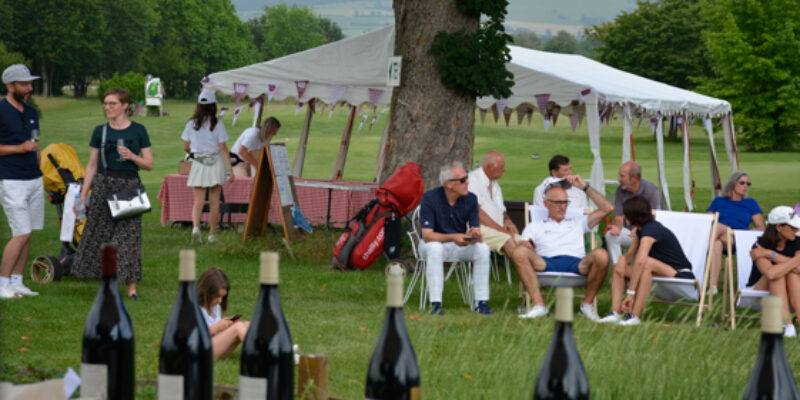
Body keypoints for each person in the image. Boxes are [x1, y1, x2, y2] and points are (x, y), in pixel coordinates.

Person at [73, 88, 153, 300]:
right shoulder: (100, 131)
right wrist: (83, 193)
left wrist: (133, 157)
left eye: (112, 104)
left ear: (125, 106)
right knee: (101, 236)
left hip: (129, 187)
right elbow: (91, 165)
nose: (108, 107)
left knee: (129, 237)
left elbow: (149, 164)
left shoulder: (139, 131)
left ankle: (131, 287)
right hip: (103, 185)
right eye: (106, 104)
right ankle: (108, 283)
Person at [520, 176, 613, 321]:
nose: (563, 206)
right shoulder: (535, 226)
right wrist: (526, 246)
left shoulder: (578, 222)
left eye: (565, 202)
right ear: (546, 203)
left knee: (601, 254)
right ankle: (539, 305)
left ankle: (587, 305)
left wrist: (584, 187)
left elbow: (608, 208)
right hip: (545, 263)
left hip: (576, 264)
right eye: (558, 202)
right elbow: (524, 246)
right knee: (519, 252)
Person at [468, 151, 548, 318]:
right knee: (510, 242)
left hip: (497, 228)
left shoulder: (495, 183)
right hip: (476, 227)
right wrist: (501, 229)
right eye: (502, 167)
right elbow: (477, 213)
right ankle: (536, 299)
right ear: (490, 167)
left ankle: (539, 290)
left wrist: (508, 221)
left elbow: (501, 210)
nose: (504, 170)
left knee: (528, 243)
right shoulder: (474, 181)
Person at [599, 196, 694, 326]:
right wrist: (622, 260)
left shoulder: (651, 229)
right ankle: (615, 313)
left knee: (646, 263)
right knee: (618, 267)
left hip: (680, 276)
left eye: (625, 213)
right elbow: (630, 257)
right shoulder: (641, 230)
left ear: (633, 215)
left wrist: (630, 294)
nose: (624, 216)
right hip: (659, 274)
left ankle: (634, 316)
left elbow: (640, 261)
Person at [419, 161, 492, 315]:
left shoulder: (471, 199)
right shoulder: (430, 198)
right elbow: (427, 236)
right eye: (463, 179)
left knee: (483, 249)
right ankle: (436, 304)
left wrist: (474, 235)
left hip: (458, 245)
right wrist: (454, 237)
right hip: (432, 245)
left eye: (467, 178)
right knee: (435, 248)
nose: (468, 182)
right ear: (449, 184)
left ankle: (481, 302)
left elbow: (475, 229)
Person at [0, 64, 42, 299]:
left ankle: (17, 282)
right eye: (24, 84)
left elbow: (35, 144)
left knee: (28, 233)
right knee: (21, 233)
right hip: (11, 179)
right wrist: (19, 148)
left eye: (30, 83)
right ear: (10, 86)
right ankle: (2, 283)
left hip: (34, 178)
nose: (29, 88)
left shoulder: (31, 112)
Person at [183, 89, 234, 244]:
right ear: (213, 106)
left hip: (199, 161)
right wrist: (230, 170)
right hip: (215, 162)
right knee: (214, 201)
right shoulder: (217, 124)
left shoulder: (191, 123)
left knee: (198, 201)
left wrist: (195, 151)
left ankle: (196, 228)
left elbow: (186, 146)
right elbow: (223, 147)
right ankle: (212, 234)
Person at [706, 171, 764, 294]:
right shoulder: (719, 201)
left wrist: (750, 232)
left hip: (738, 237)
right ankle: (713, 287)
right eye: (742, 183)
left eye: (748, 184)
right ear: (733, 183)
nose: (745, 186)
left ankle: (702, 252)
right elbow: (706, 222)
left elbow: (761, 227)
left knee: (717, 226)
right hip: (721, 237)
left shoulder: (750, 203)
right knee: (716, 244)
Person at [747, 206, 800, 338]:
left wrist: (770, 254)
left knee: (790, 273)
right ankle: (788, 324)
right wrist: (797, 259)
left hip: (789, 290)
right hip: (759, 292)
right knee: (777, 275)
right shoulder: (760, 245)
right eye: (792, 227)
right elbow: (770, 273)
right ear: (778, 227)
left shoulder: (796, 242)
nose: (796, 230)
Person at [605, 161, 661, 265]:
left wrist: (640, 229)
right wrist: (617, 228)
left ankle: (633, 272)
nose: (618, 179)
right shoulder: (620, 190)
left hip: (647, 234)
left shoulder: (651, 190)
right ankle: (619, 270)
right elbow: (619, 216)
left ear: (634, 178)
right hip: (629, 233)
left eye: (622, 176)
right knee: (610, 235)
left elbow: (655, 218)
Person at [196, 267, 250, 359]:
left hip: (214, 345)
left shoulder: (215, 306)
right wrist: (216, 327)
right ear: (206, 292)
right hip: (199, 351)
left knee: (246, 324)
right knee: (238, 328)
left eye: (223, 297)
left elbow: (216, 333)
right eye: (217, 297)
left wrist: (227, 325)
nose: (220, 300)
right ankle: (260, 352)